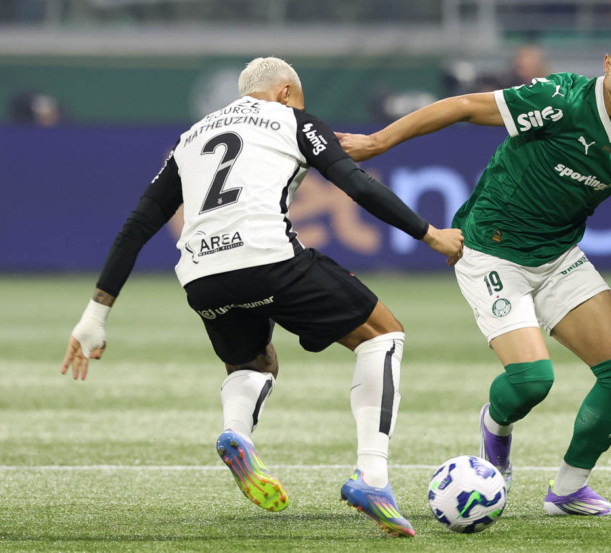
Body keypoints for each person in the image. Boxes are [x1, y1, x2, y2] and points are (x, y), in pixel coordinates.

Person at [60, 56, 463, 538]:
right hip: (267, 258)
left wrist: (95, 316)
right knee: (384, 335)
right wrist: (430, 234)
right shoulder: (293, 118)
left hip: (200, 275)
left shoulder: (192, 136)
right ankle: (372, 477)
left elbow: (137, 226)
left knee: (253, 363)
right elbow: (355, 183)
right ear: (287, 91)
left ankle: (237, 433)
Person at [338, 24, 611, 517]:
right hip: (491, 251)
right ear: (607, 64)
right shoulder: (559, 98)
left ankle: (569, 491)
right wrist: (378, 142)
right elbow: (464, 106)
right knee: (533, 381)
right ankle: (495, 426)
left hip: (557, 258)